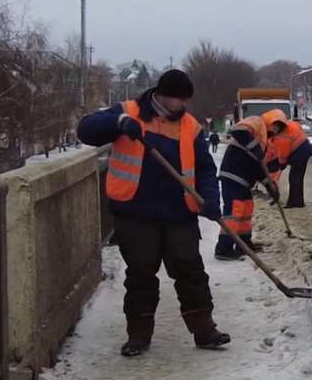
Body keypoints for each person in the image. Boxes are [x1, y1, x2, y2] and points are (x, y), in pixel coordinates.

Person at [76, 69, 229, 357]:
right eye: (177, 99)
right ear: (161, 95)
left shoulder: (190, 127)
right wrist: (119, 124)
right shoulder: (128, 112)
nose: (181, 106)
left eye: (184, 100)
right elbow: (86, 130)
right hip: (135, 212)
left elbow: (206, 168)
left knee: (190, 271)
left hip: (179, 213)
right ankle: (138, 335)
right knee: (141, 274)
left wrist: (210, 198)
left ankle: (205, 330)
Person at [213, 115, 276, 260]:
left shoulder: (265, 140)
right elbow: (238, 130)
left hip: (244, 180)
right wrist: (255, 148)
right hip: (233, 174)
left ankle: (243, 244)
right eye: (275, 125)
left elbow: (259, 168)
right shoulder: (257, 123)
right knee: (234, 211)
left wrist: (270, 186)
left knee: (246, 208)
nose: (276, 130)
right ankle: (223, 248)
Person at [261, 109, 312, 209]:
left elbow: (283, 155)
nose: (273, 129)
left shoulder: (282, 137)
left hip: (301, 152)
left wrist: (281, 165)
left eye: (275, 127)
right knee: (297, 177)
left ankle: (295, 202)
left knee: (295, 177)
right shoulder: (290, 124)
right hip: (304, 149)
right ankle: (298, 201)